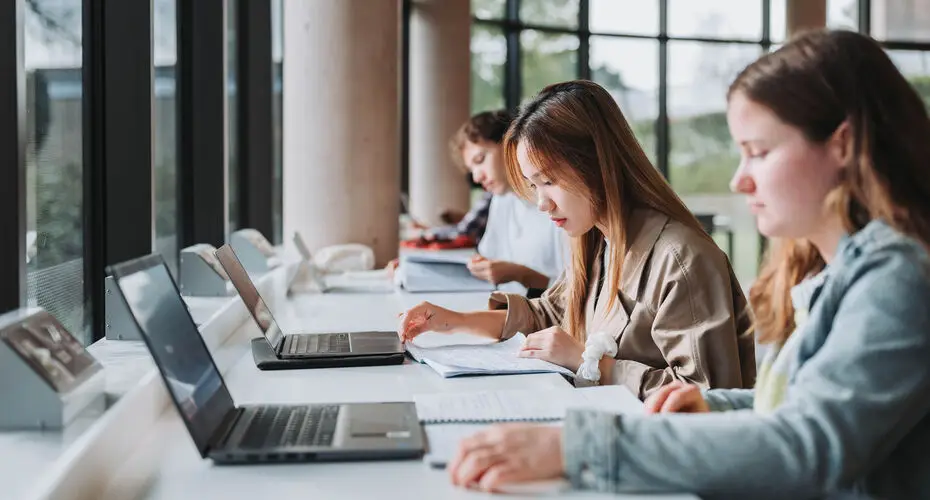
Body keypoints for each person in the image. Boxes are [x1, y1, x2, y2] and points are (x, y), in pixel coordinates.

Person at [446, 30, 930, 498]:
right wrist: (714, 404)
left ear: (842, 146)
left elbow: (810, 446)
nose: (740, 181)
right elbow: (791, 405)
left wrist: (576, 446)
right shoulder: (840, 272)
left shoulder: (897, 278)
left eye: (758, 152)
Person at [398, 81, 755, 398]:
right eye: (534, 186)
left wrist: (593, 364)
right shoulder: (596, 241)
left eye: (549, 181)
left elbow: (709, 398)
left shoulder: (681, 260)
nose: (541, 203)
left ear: (596, 164)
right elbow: (548, 312)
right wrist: (453, 321)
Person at [394, 109, 569, 290]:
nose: (476, 178)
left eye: (480, 159)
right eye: (471, 170)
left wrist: (521, 275)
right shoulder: (502, 200)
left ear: (510, 144)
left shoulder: (557, 205)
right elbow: (487, 261)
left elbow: (575, 292)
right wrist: (413, 270)